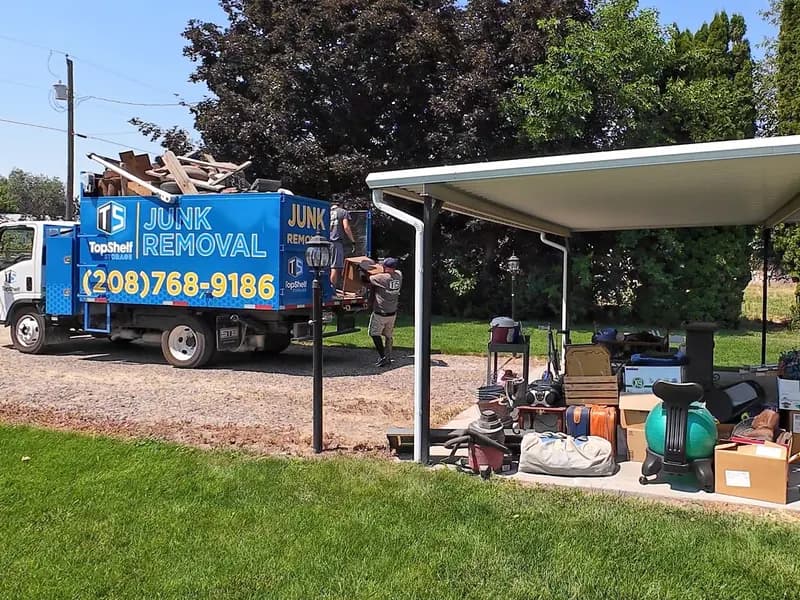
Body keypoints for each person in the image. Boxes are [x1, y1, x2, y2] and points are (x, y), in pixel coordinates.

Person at [368, 257, 403, 367]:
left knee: (374, 333)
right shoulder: (399, 275)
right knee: (388, 336)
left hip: (380, 313)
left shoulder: (382, 278)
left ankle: (382, 357)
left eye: (384, 266)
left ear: (387, 268)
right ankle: (388, 356)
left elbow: (369, 278)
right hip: (392, 313)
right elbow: (395, 271)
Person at [329, 203, 356, 288]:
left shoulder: (326, 211)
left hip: (324, 242)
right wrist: (353, 241)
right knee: (335, 267)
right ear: (341, 204)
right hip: (335, 241)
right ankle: (332, 290)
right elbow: (346, 227)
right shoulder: (343, 212)